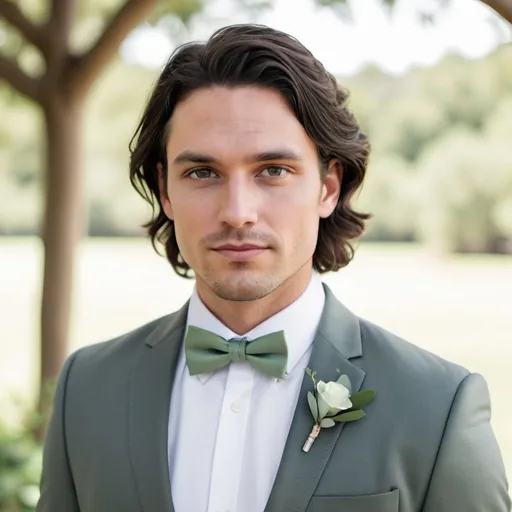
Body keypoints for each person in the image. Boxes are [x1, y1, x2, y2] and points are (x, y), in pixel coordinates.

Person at [37, 24, 510, 512]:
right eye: (202, 172)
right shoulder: (87, 390)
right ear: (165, 190)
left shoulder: (438, 406)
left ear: (328, 187)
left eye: (273, 171)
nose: (237, 211)